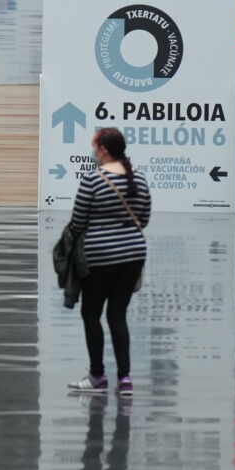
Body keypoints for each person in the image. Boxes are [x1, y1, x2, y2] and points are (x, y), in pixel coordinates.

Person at [66, 127, 151, 398]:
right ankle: (125, 379)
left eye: (95, 147)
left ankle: (97, 375)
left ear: (102, 149)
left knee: (91, 315)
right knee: (118, 316)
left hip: (99, 257)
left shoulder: (93, 179)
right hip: (133, 255)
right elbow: (144, 218)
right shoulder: (138, 178)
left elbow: (78, 221)